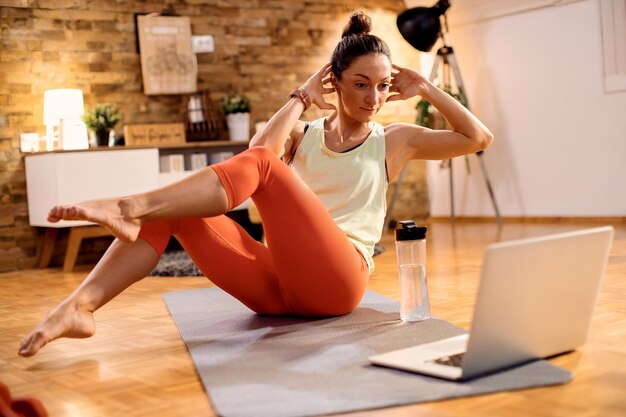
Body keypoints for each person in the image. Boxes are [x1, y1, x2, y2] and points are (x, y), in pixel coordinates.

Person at [18, 11, 493, 357]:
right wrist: (302, 97)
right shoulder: (304, 133)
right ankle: (80, 306)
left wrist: (427, 87)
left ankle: (130, 204)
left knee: (264, 165)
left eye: (385, 85)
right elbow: (260, 149)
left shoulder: (395, 140)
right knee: (185, 208)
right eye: (362, 83)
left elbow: (478, 138)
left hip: (339, 283)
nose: (375, 97)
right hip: (279, 286)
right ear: (336, 82)